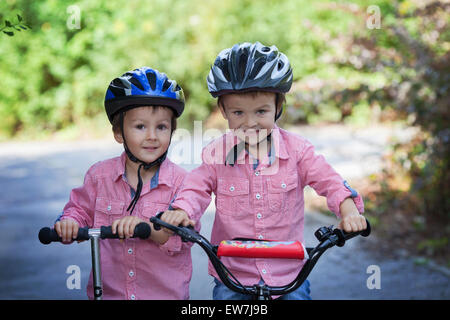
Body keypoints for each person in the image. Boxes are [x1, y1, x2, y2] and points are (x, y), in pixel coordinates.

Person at [160, 42, 367, 300]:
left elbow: (330, 181)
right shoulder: (217, 154)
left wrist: (348, 212)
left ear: (278, 106)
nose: (250, 122)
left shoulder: (298, 151)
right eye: (238, 112)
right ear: (223, 111)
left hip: (288, 274)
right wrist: (181, 212)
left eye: (261, 111)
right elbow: (196, 187)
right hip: (234, 274)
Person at [54, 67, 193, 300]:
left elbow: (180, 238)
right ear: (119, 132)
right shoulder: (99, 176)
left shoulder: (182, 183)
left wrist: (147, 228)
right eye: (140, 126)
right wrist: (69, 223)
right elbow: (79, 210)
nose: (152, 136)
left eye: (161, 127)